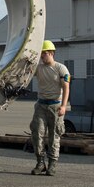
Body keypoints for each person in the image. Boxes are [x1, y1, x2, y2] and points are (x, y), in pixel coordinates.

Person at [30, 40, 70, 177]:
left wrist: (64, 106)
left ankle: (52, 164)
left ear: (52, 53)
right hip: (41, 105)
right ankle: (40, 163)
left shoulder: (61, 69)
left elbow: (66, 87)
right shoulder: (39, 68)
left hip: (55, 105)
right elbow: (26, 72)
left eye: (45, 53)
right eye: (41, 53)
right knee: (37, 133)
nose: (42, 56)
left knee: (54, 135)